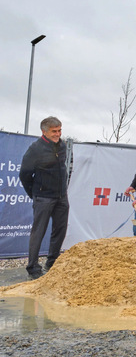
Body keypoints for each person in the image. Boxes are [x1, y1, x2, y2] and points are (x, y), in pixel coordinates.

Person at [19, 116, 70, 280]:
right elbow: (25, 175)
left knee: (60, 230)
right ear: (44, 132)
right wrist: (35, 194)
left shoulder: (62, 145)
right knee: (38, 231)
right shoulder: (35, 149)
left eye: (59, 130)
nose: (58, 134)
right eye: (54, 131)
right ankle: (33, 267)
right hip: (43, 197)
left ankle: (52, 261)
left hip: (61, 197)